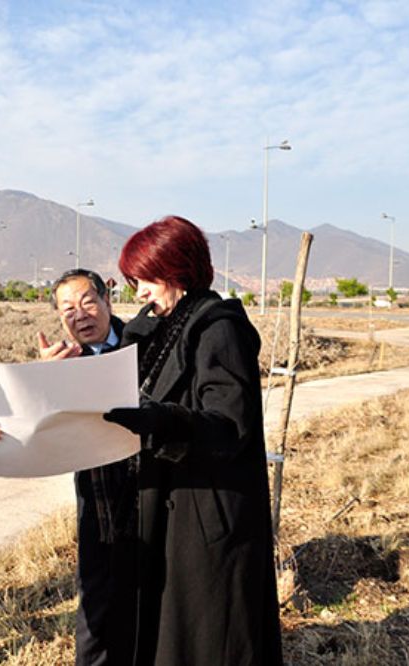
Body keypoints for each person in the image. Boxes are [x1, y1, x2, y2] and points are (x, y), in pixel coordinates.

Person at [103, 216, 283, 665]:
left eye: (145, 278)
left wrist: (162, 422)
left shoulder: (217, 328)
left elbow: (229, 425)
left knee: (207, 637)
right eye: (133, 280)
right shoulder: (165, 326)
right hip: (171, 507)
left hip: (206, 518)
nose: (138, 291)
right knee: (168, 633)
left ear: (177, 268)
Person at [38, 269, 135, 665]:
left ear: (108, 301)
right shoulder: (64, 362)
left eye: (88, 302)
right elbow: (42, 432)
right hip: (95, 502)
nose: (80, 315)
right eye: (67, 309)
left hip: (148, 494)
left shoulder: (140, 345)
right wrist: (43, 382)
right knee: (95, 608)